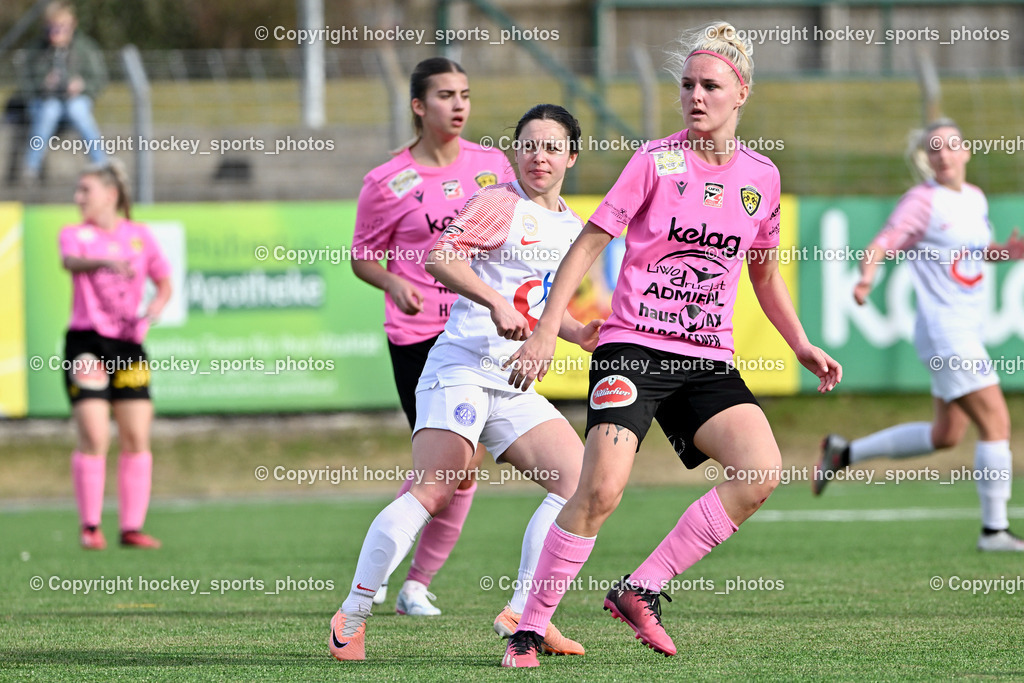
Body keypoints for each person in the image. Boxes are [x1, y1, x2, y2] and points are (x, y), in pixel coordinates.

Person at [498, 22, 842, 668]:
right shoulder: (655, 161)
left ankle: (641, 587)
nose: (695, 95)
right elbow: (591, 243)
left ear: (741, 93)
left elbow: (763, 272)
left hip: (704, 358)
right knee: (600, 489)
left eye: (710, 84)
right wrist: (548, 327)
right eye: (686, 84)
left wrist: (798, 342)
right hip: (632, 347)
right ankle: (529, 627)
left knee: (761, 469)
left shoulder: (761, 178)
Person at [329, 103, 603, 662]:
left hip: (513, 379)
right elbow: (440, 258)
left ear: (572, 157)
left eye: (552, 146)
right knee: (434, 488)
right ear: (514, 152)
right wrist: (495, 302)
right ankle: (352, 615)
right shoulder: (501, 202)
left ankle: (528, 614)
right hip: (461, 367)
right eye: (529, 144)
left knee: (579, 485)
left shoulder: (572, 225)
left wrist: (577, 332)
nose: (539, 156)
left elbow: (538, 303)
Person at [350, 57, 515, 616]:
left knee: (460, 472)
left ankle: (415, 582)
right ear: (419, 106)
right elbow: (362, 257)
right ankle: (377, 584)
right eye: (446, 95)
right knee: (447, 469)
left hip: (476, 331)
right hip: (418, 336)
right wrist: (393, 280)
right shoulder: (386, 181)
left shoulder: (494, 166)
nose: (460, 104)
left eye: (465, 93)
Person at [816, 119, 1024, 552]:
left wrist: (1005, 253)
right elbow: (880, 243)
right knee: (997, 423)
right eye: (934, 148)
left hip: (966, 328)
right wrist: (866, 279)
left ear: (966, 152)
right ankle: (994, 531)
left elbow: (971, 253)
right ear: (926, 160)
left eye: (951, 146)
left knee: (946, 435)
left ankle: (843, 453)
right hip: (946, 332)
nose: (944, 154)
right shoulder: (921, 201)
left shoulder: (974, 198)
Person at [59, 160, 172, 550]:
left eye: (84, 191)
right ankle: (90, 526)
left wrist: (157, 305)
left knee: (136, 435)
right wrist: (104, 261)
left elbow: (165, 281)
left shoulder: (139, 235)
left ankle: (131, 528)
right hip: (86, 343)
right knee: (93, 434)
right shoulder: (75, 235)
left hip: (128, 345)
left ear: (110, 195)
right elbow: (70, 262)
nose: (78, 198)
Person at [21, 1, 108, 181]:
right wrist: (44, 83)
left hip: (75, 100)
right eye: (53, 28)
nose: (57, 32)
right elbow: (26, 81)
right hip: (46, 100)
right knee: (48, 112)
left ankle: (102, 164)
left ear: (72, 24)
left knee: (79, 112)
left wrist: (82, 85)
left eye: (62, 27)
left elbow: (98, 78)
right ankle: (31, 167)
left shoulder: (85, 47)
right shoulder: (36, 49)